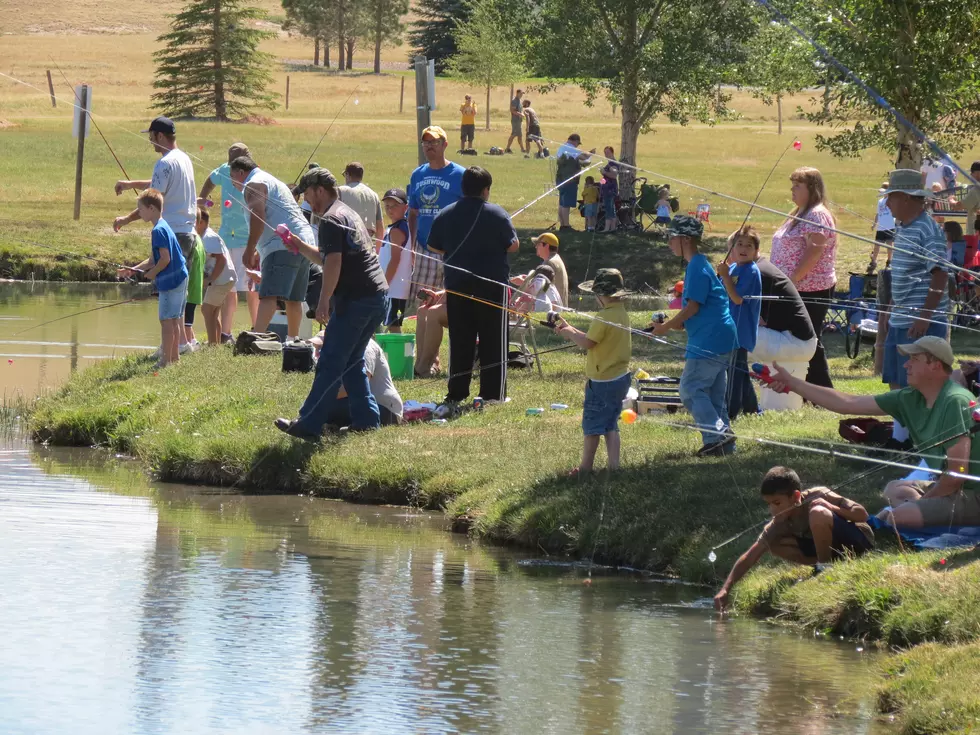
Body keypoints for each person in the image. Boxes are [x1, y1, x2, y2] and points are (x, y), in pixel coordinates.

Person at [766, 336, 980, 530]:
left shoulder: (955, 401)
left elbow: (957, 473)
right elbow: (848, 403)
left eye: (914, 359)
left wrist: (924, 503)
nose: (906, 364)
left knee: (897, 517)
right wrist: (793, 383)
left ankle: (909, 515)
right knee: (894, 489)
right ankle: (916, 512)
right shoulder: (909, 398)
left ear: (934, 364)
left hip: (972, 492)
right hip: (951, 487)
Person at [274, 167, 389, 439]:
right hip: (376, 297)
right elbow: (330, 257)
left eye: (309, 194)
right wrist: (299, 244)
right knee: (352, 362)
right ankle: (366, 420)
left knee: (331, 360)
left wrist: (324, 300)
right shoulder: (345, 212)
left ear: (320, 190)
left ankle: (309, 422)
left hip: (357, 300)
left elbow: (334, 263)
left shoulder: (330, 219)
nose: (307, 201)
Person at [713, 466, 873, 611]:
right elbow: (750, 557)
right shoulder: (779, 524)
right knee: (773, 544)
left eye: (777, 503)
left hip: (858, 542)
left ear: (795, 496)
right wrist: (725, 589)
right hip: (836, 551)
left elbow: (862, 514)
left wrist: (831, 507)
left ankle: (823, 569)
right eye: (769, 504)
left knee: (818, 512)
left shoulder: (819, 494)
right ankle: (824, 565)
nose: (772, 510)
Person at [427, 166, 519, 414]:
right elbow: (513, 246)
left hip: (457, 285)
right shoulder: (498, 214)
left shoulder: (445, 215)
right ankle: (492, 393)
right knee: (494, 339)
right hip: (492, 287)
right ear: (486, 190)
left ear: (462, 187)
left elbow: (434, 247)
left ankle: (457, 391)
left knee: (461, 339)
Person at [649, 215, 737, 456]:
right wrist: (678, 324)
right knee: (713, 395)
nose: (668, 242)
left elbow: (692, 307)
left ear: (685, 239)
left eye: (671, 236)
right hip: (722, 336)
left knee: (689, 389)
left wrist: (666, 328)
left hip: (710, 340)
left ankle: (716, 436)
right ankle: (725, 446)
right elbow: (698, 309)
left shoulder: (697, 267)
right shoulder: (699, 265)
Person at [880, 168, 951, 446]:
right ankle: (901, 437)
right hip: (901, 316)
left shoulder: (927, 229)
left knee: (919, 380)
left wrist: (924, 316)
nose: (887, 204)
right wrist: (889, 312)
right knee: (897, 377)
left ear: (908, 198)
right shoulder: (903, 227)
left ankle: (922, 437)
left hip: (920, 320)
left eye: (891, 198)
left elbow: (940, 274)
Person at [554, 268, 632, 474]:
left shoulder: (603, 316)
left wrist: (570, 334)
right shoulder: (621, 313)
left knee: (592, 427)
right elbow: (594, 338)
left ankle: (585, 468)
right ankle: (614, 467)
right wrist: (571, 330)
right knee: (610, 424)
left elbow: (588, 343)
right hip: (621, 378)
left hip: (602, 382)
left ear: (600, 295)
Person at [769, 167, 838, 389]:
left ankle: (822, 391)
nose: (792, 190)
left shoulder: (816, 214)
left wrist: (792, 280)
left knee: (807, 341)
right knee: (798, 341)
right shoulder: (799, 213)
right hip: (795, 288)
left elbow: (815, 251)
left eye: (797, 186)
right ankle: (803, 389)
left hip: (809, 288)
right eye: (792, 185)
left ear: (812, 189)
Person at [229, 155, 314, 336]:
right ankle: (293, 340)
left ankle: (256, 337)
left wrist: (249, 250)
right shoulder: (272, 180)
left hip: (281, 243)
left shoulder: (252, 184)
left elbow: (258, 216)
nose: (232, 182)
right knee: (294, 298)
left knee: (269, 294)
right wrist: (259, 252)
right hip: (305, 242)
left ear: (241, 172)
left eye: (232, 177)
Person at [116, 189, 188, 368]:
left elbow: (165, 260)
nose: (139, 213)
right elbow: (154, 259)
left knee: (166, 321)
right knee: (174, 320)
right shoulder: (164, 226)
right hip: (180, 278)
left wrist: (152, 274)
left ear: (151, 208)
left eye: (140, 209)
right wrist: (133, 270)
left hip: (171, 282)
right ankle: (174, 358)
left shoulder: (158, 231)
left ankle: (165, 361)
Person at [113, 116, 197, 259]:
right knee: (182, 281)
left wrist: (126, 219)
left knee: (166, 281)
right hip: (189, 233)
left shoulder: (164, 163)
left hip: (171, 233)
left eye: (151, 136)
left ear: (160, 136)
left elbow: (152, 202)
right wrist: (130, 184)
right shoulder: (184, 159)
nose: (150, 141)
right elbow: (163, 184)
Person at [750, 253, 817, 411]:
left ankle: (725, 397)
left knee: (729, 338)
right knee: (775, 409)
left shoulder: (757, 272)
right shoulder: (762, 268)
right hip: (795, 342)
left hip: (794, 344)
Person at [407, 126, 466, 304]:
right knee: (421, 301)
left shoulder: (460, 174)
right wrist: (412, 244)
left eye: (434, 142)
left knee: (452, 301)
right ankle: (423, 331)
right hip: (425, 248)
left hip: (453, 248)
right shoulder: (417, 175)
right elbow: (413, 212)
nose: (429, 146)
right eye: (426, 142)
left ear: (445, 144)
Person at [199, 142, 254, 334]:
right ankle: (226, 334)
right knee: (228, 287)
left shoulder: (254, 175)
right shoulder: (224, 170)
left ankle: (258, 330)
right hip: (225, 237)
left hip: (247, 238)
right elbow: (210, 180)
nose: (233, 170)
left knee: (251, 286)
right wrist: (203, 201)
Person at [717, 226, 762, 420]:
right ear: (731, 248)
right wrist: (721, 275)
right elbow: (722, 292)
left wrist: (726, 277)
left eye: (749, 245)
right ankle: (752, 408)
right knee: (740, 370)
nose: (744, 248)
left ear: (756, 251)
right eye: (739, 244)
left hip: (741, 330)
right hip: (730, 328)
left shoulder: (751, 271)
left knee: (733, 373)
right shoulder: (734, 268)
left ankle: (730, 412)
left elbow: (737, 299)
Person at [324, 338, 404, 427]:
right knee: (320, 407)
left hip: (386, 408)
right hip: (367, 403)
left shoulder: (366, 347)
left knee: (323, 408)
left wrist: (322, 398)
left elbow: (358, 384)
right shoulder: (345, 348)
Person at [195, 206, 237, 345]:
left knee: (206, 309)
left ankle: (212, 345)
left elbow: (222, 259)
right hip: (223, 279)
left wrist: (210, 279)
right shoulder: (204, 237)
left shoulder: (209, 237)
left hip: (222, 279)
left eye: (193, 221)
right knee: (213, 312)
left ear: (201, 222)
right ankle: (215, 342)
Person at [379, 188, 412, 333]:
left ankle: (398, 354)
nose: (390, 210)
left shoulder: (397, 230)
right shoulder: (394, 227)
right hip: (394, 286)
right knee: (391, 322)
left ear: (406, 208)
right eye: (387, 206)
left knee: (393, 325)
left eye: (395, 206)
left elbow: (395, 259)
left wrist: (384, 283)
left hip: (394, 287)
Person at [510, 232, 568, 307]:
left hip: (552, 309)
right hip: (559, 307)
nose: (536, 247)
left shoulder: (549, 263)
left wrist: (524, 282)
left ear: (546, 246)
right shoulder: (557, 259)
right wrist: (529, 279)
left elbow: (540, 287)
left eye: (538, 244)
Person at [555, 134, 594, 230]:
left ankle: (562, 224)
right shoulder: (571, 149)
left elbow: (573, 160)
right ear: (574, 141)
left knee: (561, 203)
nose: (577, 145)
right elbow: (584, 157)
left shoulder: (561, 148)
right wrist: (591, 153)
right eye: (577, 143)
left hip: (561, 179)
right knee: (566, 204)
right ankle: (566, 225)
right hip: (569, 180)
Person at [338, 162, 384, 240]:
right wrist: (378, 250)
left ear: (347, 174)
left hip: (347, 239)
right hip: (368, 240)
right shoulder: (373, 194)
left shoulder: (340, 191)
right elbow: (380, 227)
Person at [414, 287, 448, 378]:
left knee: (433, 312)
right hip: (455, 300)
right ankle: (422, 363)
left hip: (473, 305)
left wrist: (440, 300)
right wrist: (436, 295)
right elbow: (452, 288)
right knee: (422, 311)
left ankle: (424, 365)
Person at [182, 232, 205, 352]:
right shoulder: (199, 240)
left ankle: (186, 346)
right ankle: (193, 342)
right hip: (195, 286)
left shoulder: (191, 240)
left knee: (186, 320)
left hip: (189, 287)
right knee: (187, 318)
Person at [870, 180, 895, 270]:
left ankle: (889, 261)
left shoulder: (891, 200)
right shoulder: (880, 201)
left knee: (889, 245)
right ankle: (873, 261)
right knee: (877, 245)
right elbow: (878, 213)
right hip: (880, 227)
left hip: (890, 226)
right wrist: (874, 224)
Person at [600, 162, 619, 234]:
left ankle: (607, 228)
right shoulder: (609, 163)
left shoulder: (613, 164)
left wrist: (604, 172)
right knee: (611, 208)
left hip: (609, 191)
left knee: (608, 208)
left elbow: (614, 176)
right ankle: (613, 227)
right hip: (607, 190)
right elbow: (605, 178)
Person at [505, 88, 525, 154]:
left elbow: (520, 109)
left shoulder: (519, 101)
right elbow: (512, 110)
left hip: (519, 121)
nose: (522, 95)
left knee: (520, 135)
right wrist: (520, 114)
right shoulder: (514, 101)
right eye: (521, 93)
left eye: (522, 94)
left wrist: (522, 114)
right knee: (514, 134)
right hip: (515, 120)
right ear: (517, 93)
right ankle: (507, 148)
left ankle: (522, 149)